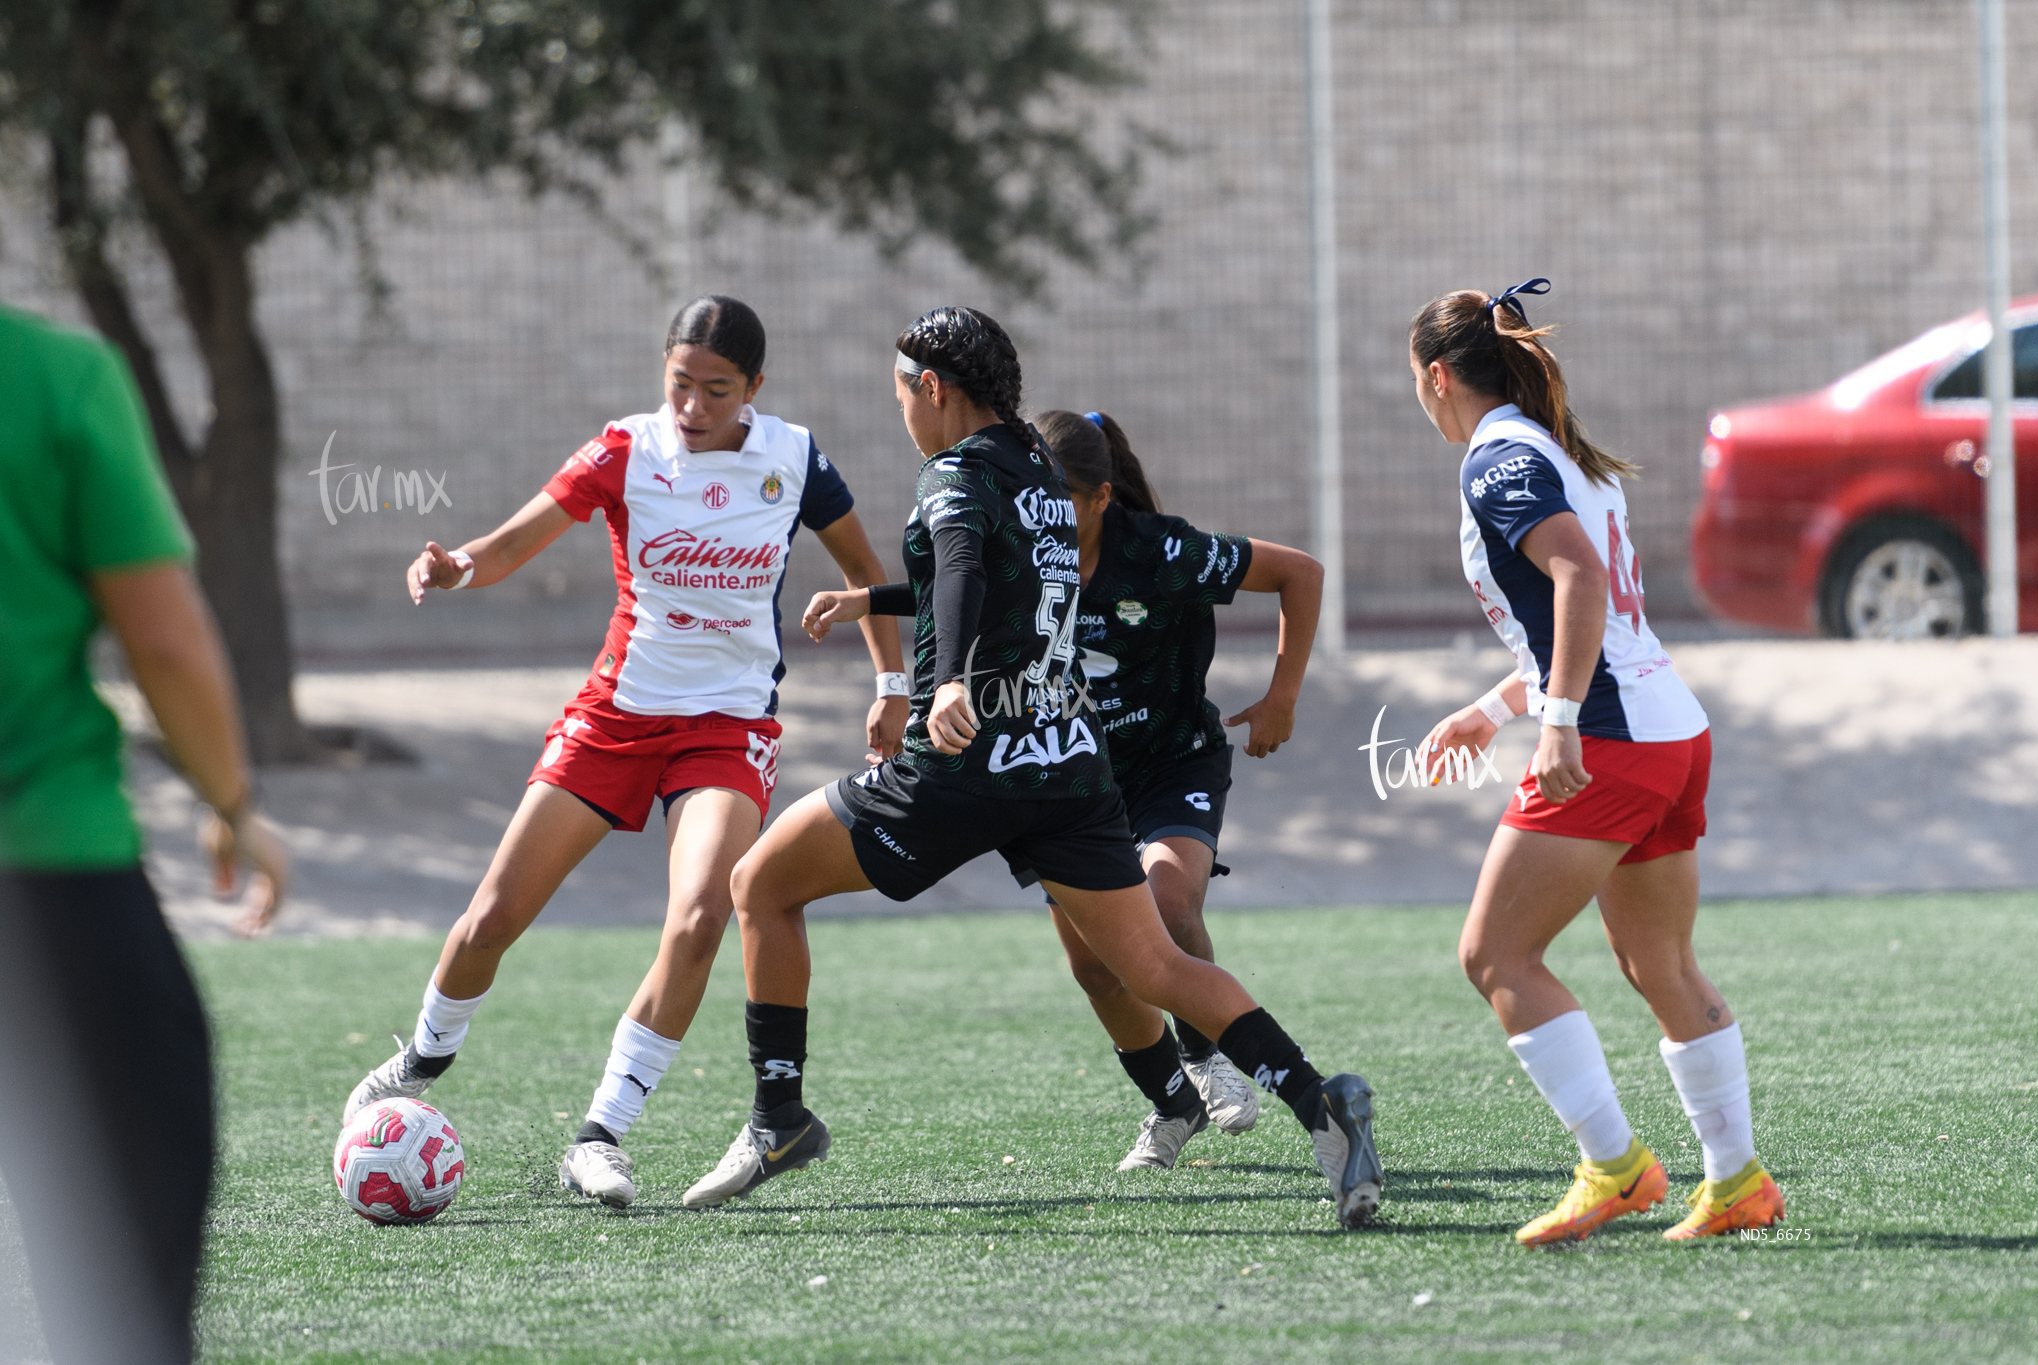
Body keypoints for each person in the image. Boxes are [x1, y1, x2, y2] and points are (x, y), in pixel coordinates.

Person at [681, 305, 1384, 1230]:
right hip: (1068, 764)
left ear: (932, 390)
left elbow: (966, 564)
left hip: (965, 763)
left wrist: (949, 683)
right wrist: (881, 601)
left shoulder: (953, 472)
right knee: (1153, 963)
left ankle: (779, 1116)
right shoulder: (1044, 473)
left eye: (899, 395)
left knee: (759, 883)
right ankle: (1319, 1105)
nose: (900, 414)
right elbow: (996, 576)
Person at [341, 296, 907, 1210]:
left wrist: (890, 690)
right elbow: (516, 540)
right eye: (679, 383)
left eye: (716, 390)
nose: (691, 405)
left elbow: (867, 579)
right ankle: (421, 1058)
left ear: (755, 389)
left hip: (727, 728)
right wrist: (456, 567)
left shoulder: (794, 459)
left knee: (698, 919)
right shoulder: (624, 449)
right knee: (492, 914)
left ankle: (598, 1136)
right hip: (614, 719)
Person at [1409, 278, 1782, 1245]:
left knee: (1496, 955)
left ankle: (1615, 1168)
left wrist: (1559, 721)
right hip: (1671, 731)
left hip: (1611, 737)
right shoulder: (1567, 451)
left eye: (1415, 379)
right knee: (1657, 959)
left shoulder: (1497, 459)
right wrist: (1493, 709)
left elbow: (1575, 579)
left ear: (1438, 375)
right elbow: (1595, 613)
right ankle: (1736, 1180)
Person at [0, 305, 291, 1364]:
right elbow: (162, 636)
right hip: (44, 883)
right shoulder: (50, 376)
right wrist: (232, 804)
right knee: (121, 1283)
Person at [1022, 409, 1325, 1170]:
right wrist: (867, 606)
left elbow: (1300, 572)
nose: (1042, 519)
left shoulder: (1162, 551)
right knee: (1095, 964)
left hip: (1173, 762)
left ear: (1101, 499)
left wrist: (1282, 694)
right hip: (1067, 772)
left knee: (1167, 903)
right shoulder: (1021, 552)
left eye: (1059, 501)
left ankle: (1207, 1051)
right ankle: (1172, 1104)